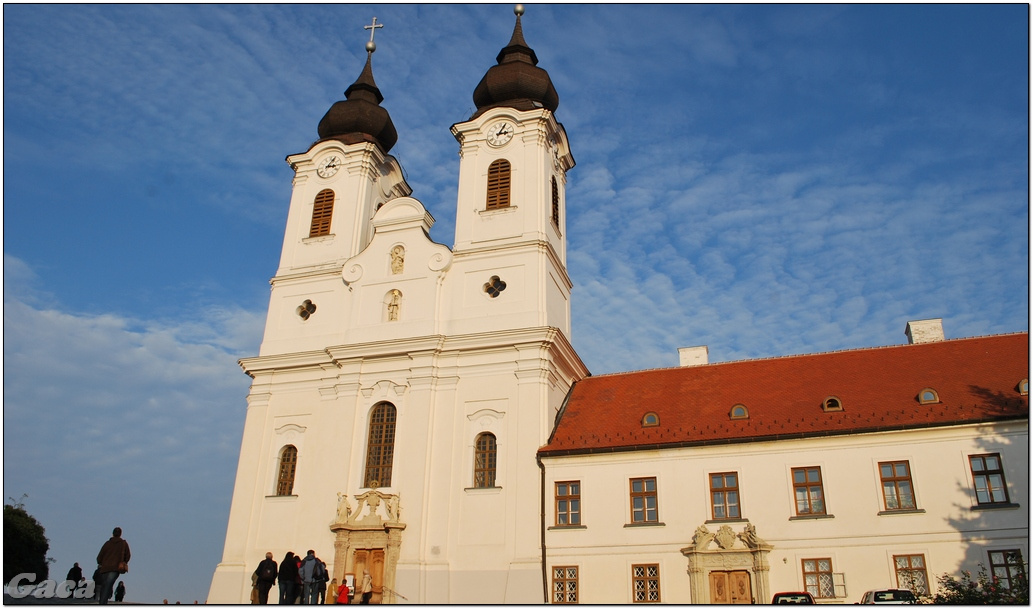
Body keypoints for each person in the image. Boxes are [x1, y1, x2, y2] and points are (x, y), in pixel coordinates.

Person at [95, 527, 130, 605]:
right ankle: (103, 604)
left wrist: (101, 562)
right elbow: (128, 555)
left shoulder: (107, 543)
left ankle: (102, 602)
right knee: (108, 585)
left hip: (105, 568)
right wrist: (124, 562)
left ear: (113, 533)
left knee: (104, 586)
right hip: (115, 568)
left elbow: (99, 557)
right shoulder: (123, 544)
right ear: (120, 534)